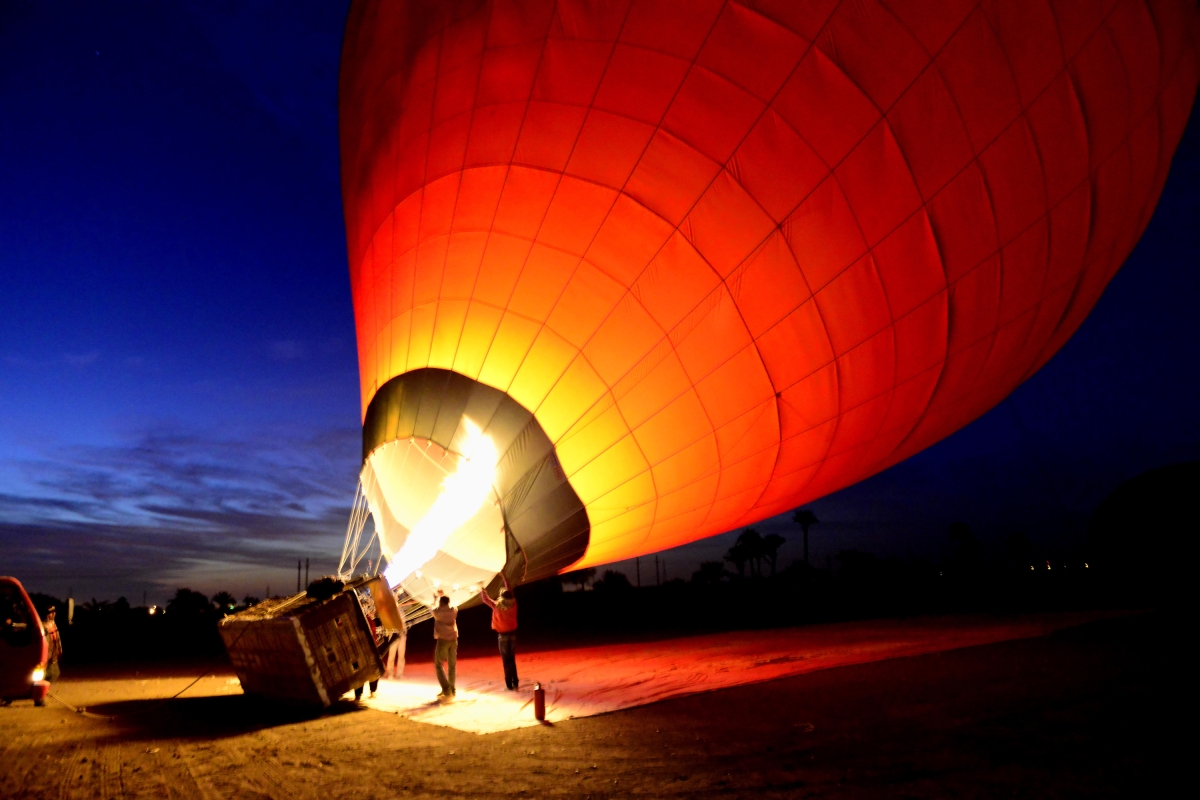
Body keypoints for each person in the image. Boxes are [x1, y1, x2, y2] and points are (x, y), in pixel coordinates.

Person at [479, 575, 519, 689]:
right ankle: (515, 682)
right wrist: (505, 578)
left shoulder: (497, 606)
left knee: (506, 661)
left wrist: (481, 588)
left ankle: (509, 685)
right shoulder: (514, 605)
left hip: (502, 637)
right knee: (512, 660)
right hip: (512, 635)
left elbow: (485, 599)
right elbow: (510, 590)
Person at [430, 590, 458, 699]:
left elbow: (431, 607)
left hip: (443, 641)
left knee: (438, 664)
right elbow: (454, 605)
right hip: (454, 640)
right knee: (452, 665)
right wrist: (442, 596)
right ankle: (452, 689)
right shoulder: (453, 611)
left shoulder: (437, 613)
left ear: (441, 603)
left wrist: (436, 598)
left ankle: (446, 689)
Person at [44, 606, 62, 683]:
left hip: (54, 655)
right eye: (50, 612)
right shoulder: (43, 625)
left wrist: (59, 649)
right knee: (50, 674)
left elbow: (57, 638)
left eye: (54, 611)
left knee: (55, 673)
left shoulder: (53, 623)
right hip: (47, 656)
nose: (53, 613)